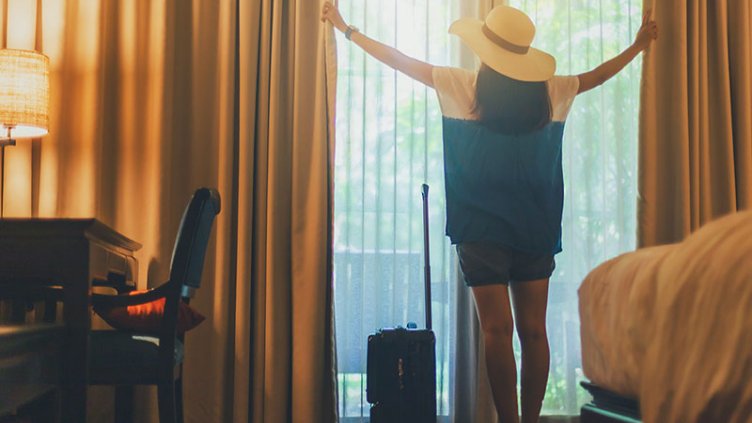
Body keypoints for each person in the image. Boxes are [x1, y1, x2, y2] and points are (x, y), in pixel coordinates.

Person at [321, 3, 657, 423]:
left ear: (486, 51)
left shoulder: (462, 85)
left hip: (479, 230)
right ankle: (530, 421)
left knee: (496, 331)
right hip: (535, 225)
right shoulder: (551, 91)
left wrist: (348, 30)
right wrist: (638, 45)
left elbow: (398, 59)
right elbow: (600, 75)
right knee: (534, 332)